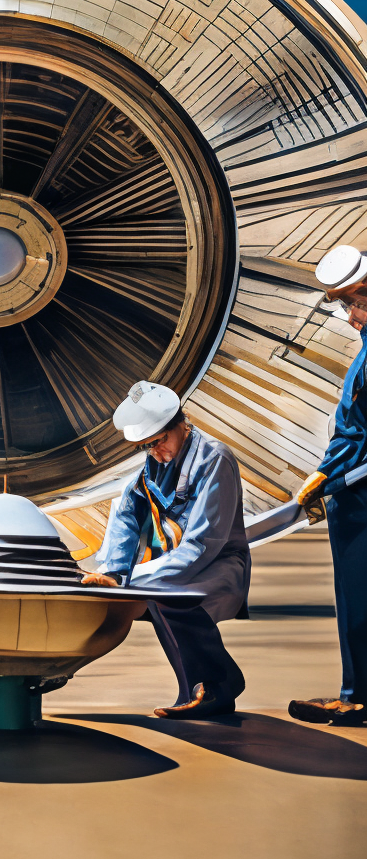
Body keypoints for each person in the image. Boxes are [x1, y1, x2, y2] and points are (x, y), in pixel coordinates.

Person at [82, 381, 250, 719]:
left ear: (180, 424)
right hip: (180, 567)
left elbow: (203, 544)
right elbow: (126, 511)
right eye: (147, 447)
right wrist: (113, 573)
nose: (157, 453)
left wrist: (132, 581)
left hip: (218, 564)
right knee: (159, 596)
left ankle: (213, 686)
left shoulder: (215, 459)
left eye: (159, 442)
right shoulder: (154, 466)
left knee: (169, 597)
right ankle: (210, 684)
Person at [289, 245, 367, 726]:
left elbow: (357, 431)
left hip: (358, 492)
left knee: (358, 597)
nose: (350, 316)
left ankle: (357, 696)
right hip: (351, 487)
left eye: (353, 303)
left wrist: (333, 478)